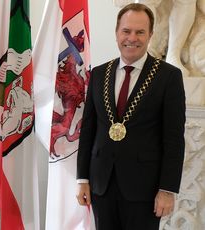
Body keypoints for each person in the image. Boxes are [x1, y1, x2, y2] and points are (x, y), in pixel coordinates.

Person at [76, 3, 185, 230]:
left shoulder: (169, 77)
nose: (132, 38)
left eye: (140, 32)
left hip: (145, 188)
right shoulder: (98, 74)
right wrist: (82, 180)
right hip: (101, 185)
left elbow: (174, 139)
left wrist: (167, 190)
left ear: (150, 35)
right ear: (117, 33)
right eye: (126, 31)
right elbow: (88, 130)